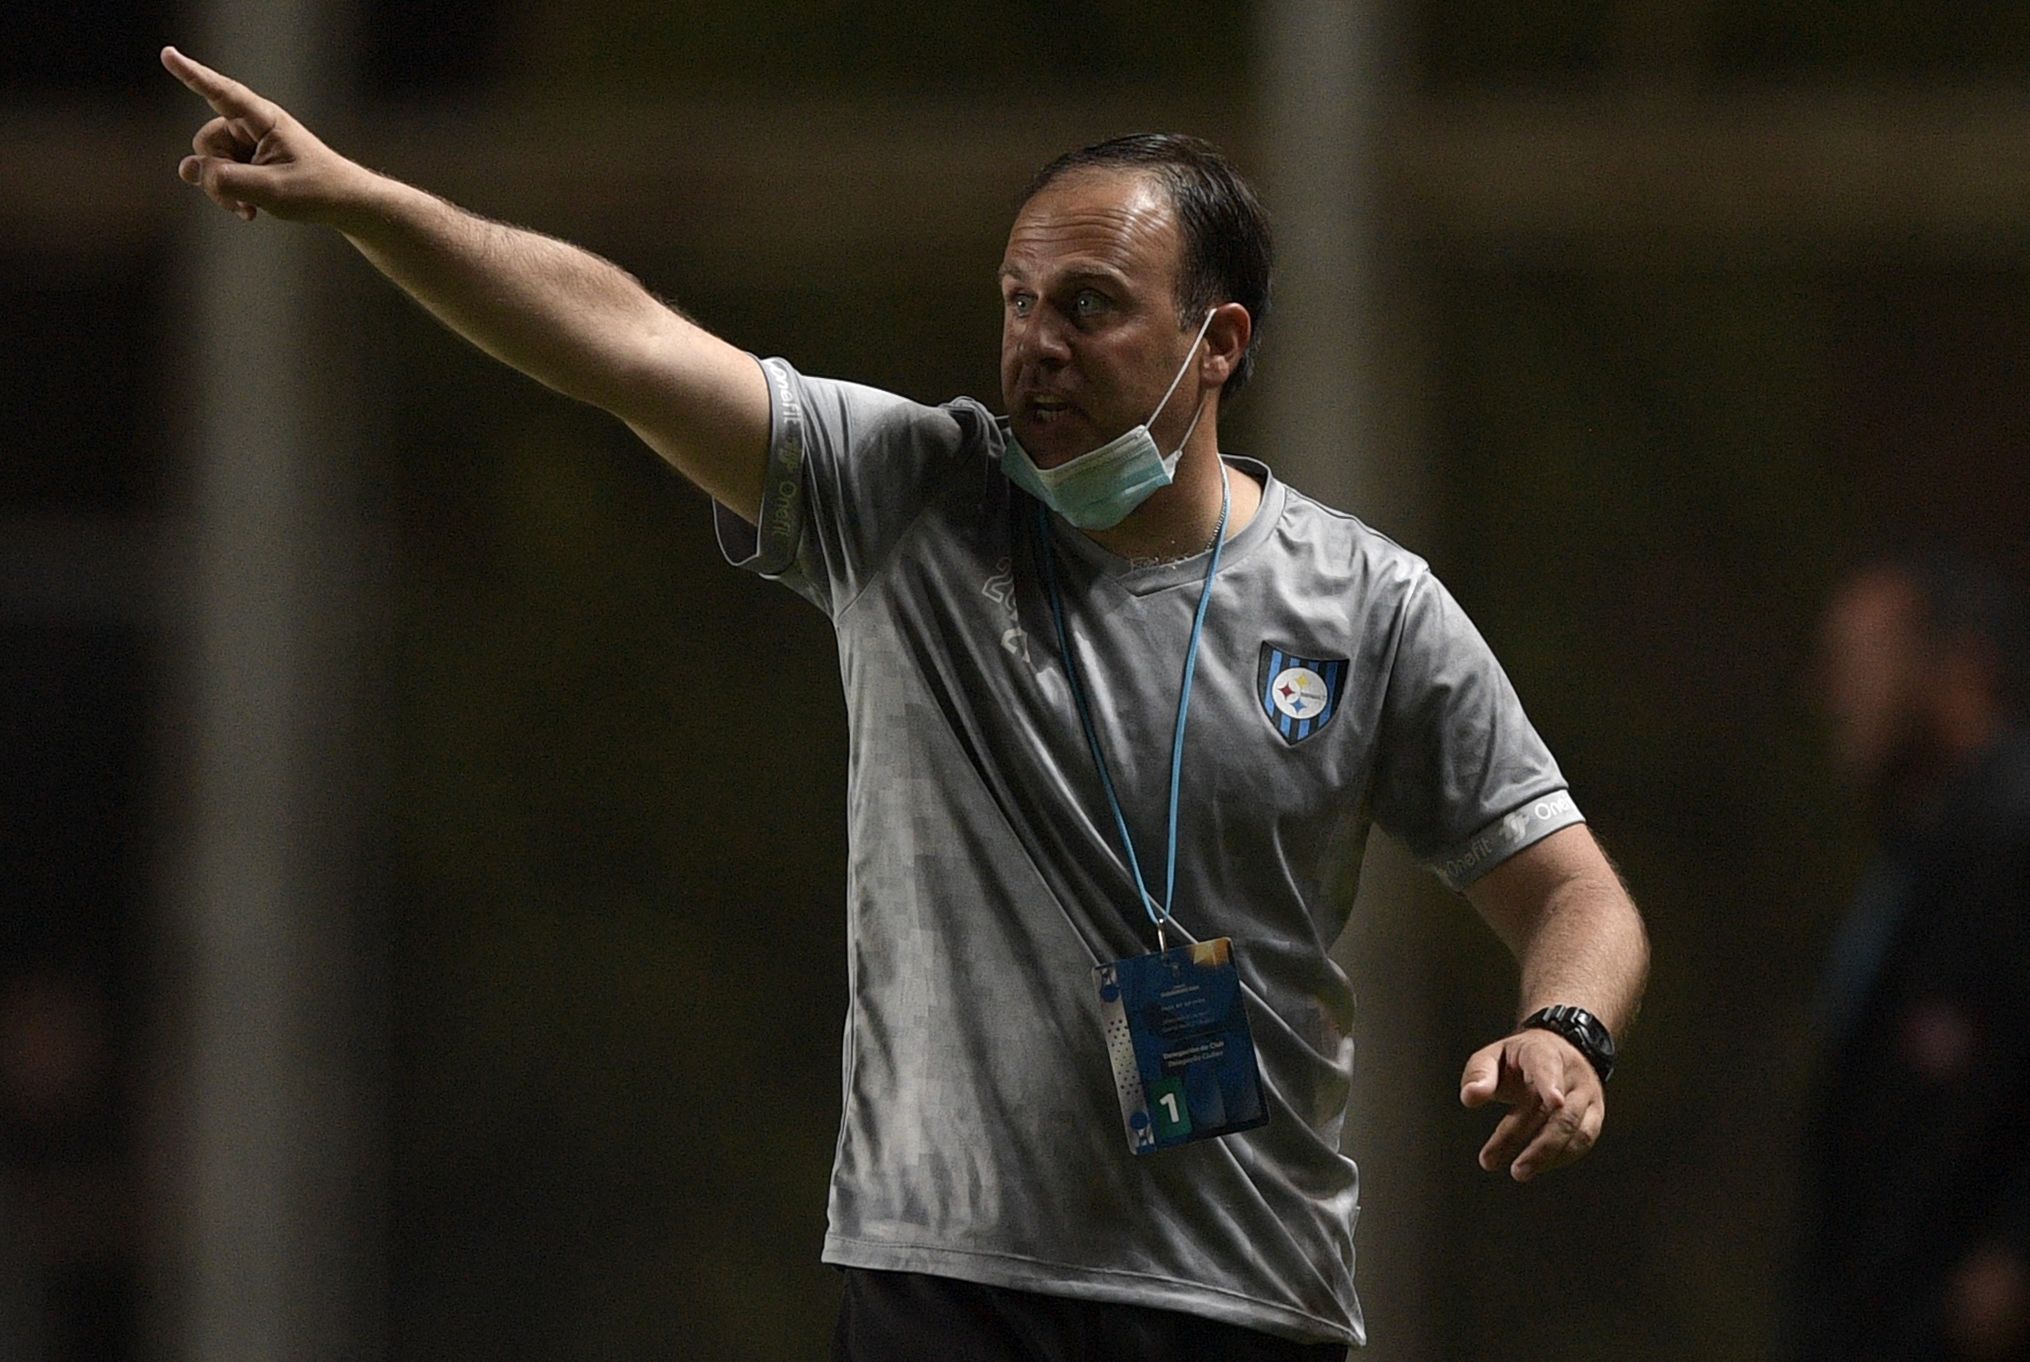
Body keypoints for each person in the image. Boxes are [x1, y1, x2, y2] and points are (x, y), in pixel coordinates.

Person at [162, 46, 1650, 1358]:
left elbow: (1573, 892)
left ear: (1221, 346)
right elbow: (614, 340)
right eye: (1015, 299)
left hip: (1239, 1300)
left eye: (1090, 304)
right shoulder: (906, 495)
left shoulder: (1366, 606)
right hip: (940, 1284)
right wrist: (364, 201)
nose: (1034, 342)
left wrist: (1566, 1029)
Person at [1801, 551, 2030, 1362]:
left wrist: (2016, 1256)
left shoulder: (2011, 837)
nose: (1834, 694)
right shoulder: (1915, 856)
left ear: (1962, 668)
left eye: (1867, 661)